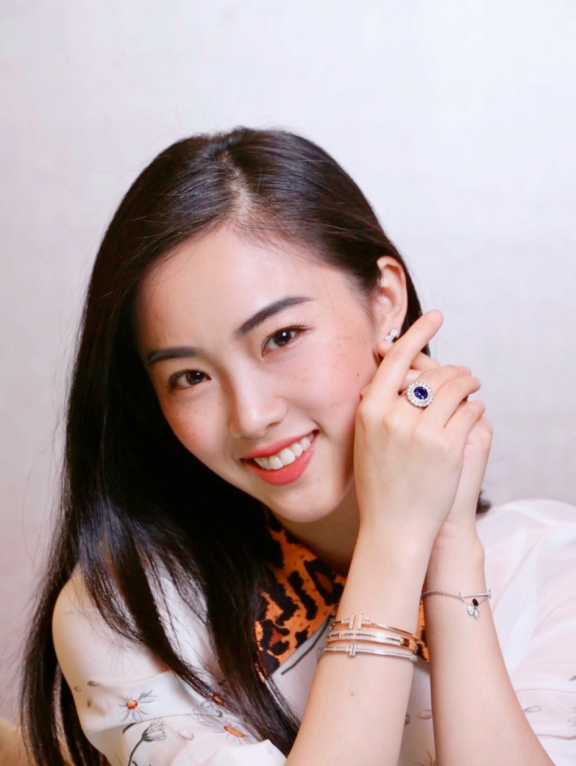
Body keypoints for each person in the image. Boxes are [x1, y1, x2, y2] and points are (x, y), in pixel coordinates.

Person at [17, 127, 575, 765]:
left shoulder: (553, 564)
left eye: (281, 337)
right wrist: (393, 541)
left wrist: (448, 548)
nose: (251, 416)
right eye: (190, 377)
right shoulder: (134, 613)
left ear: (385, 302)